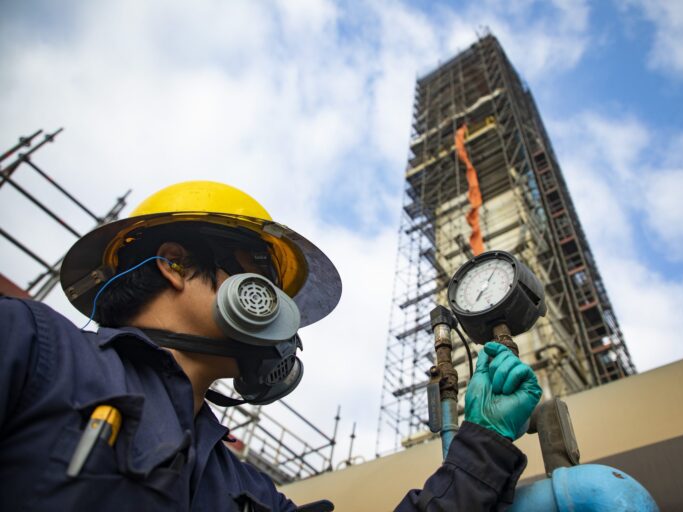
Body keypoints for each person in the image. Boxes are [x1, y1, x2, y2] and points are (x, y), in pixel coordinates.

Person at [0, 181, 542, 511]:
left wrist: (484, 443)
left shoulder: (238, 485)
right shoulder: (32, 347)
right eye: (264, 275)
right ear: (174, 263)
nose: (282, 314)